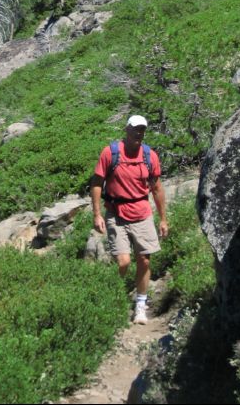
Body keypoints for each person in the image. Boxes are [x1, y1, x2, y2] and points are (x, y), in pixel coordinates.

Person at [90, 115, 168, 325]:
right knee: (123, 261)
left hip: (142, 212)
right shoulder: (111, 153)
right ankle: (117, 292)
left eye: (142, 130)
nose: (138, 133)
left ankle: (140, 305)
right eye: (135, 129)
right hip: (116, 213)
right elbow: (97, 183)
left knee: (144, 259)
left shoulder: (150, 156)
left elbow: (157, 188)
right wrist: (97, 214)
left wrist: (163, 219)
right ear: (127, 129)